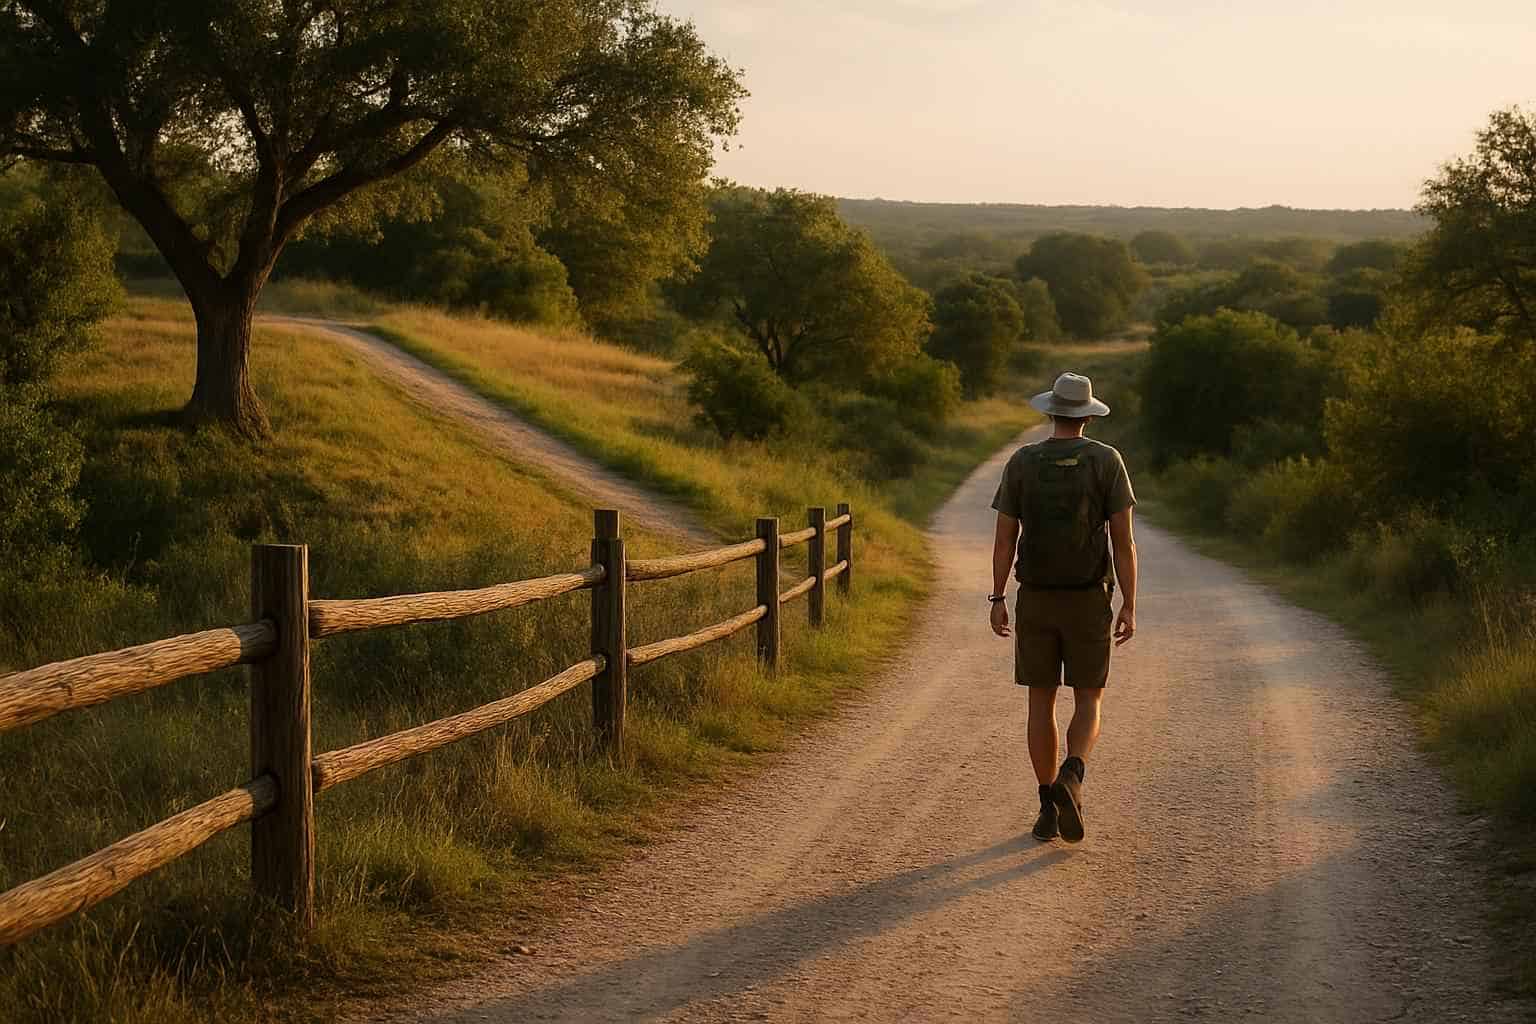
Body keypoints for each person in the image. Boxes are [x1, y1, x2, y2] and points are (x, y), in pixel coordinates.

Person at [988, 372, 1138, 844]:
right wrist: (1129, 604)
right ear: (1088, 417)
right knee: (1089, 697)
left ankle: (1046, 805)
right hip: (1089, 597)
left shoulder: (1022, 462)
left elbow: (1004, 541)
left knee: (1041, 700)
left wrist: (998, 597)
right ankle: (1072, 775)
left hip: (1036, 596)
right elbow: (1124, 543)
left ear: (1051, 411)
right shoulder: (1107, 461)